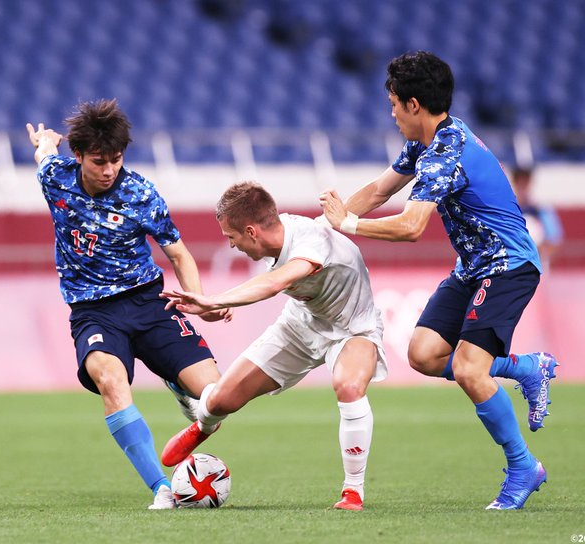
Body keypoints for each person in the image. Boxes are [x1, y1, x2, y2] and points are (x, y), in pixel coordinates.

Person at [319, 51, 558, 510]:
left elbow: (411, 227)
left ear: (414, 104)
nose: (391, 114)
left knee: (469, 369)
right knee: (424, 354)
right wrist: (323, 228)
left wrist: (347, 225)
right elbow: (380, 189)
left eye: (394, 104)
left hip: (508, 266)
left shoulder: (446, 151)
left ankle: (523, 466)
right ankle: (525, 368)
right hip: (473, 267)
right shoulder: (427, 141)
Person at [26, 99, 231, 510]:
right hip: (93, 312)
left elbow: (179, 254)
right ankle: (161, 488)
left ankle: (179, 384)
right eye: (98, 161)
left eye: (116, 160)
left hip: (149, 303)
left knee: (218, 397)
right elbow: (45, 155)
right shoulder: (55, 179)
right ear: (78, 155)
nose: (108, 170)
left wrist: (200, 300)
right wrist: (45, 142)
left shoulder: (141, 193)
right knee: (111, 382)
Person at [159, 181, 388, 511]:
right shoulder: (280, 237)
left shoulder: (310, 241)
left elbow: (275, 282)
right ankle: (204, 424)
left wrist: (214, 300)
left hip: (353, 329)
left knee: (349, 387)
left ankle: (353, 491)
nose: (232, 245)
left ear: (251, 232)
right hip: (301, 324)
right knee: (221, 399)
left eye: (231, 237)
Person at [511, 166, 564, 273]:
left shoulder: (540, 209)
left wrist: (541, 257)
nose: (522, 185)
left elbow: (554, 238)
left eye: (525, 181)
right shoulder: (509, 207)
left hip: (535, 261)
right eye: (519, 181)